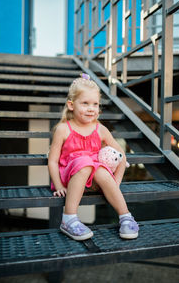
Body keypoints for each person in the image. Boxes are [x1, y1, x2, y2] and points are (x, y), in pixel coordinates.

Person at [48, 73, 139, 241]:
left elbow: (121, 156)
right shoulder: (63, 129)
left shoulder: (101, 129)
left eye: (95, 104)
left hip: (95, 179)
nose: (91, 108)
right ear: (71, 105)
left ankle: (125, 216)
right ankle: (68, 218)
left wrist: (115, 183)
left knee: (100, 169)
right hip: (71, 177)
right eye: (85, 103)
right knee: (85, 163)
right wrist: (59, 185)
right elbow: (53, 161)